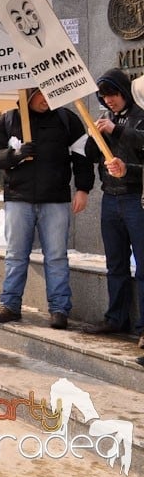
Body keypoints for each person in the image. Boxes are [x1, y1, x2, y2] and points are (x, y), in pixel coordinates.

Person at [0, 88, 93, 330]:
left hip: (55, 199)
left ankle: (59, 309)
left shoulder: (67, 119)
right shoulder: (8, 119)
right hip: (18, 198)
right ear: (28, 95)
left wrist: (83, 189)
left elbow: (82, 156)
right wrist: (14, 155)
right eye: (40, 95)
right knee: (15, 255)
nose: (46, 99)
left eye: (49, 94)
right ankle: (10, 305)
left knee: (56, 256)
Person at [82, 69, 144, 338]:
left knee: (142, 265)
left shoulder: (141, 116)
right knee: (115, 263)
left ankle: (143, 327)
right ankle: (116, 318)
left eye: (113, 94)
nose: (109, 100)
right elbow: (90, 154)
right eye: (104, 96)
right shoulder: (105, 118)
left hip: (136, 198)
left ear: (125, 91)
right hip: (110, 198)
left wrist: (117, 129)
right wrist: (93, 136)